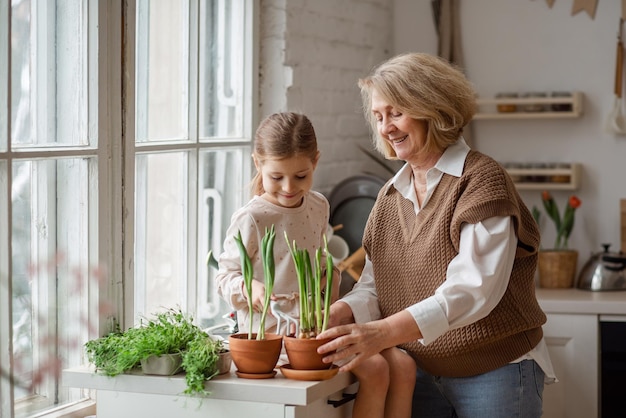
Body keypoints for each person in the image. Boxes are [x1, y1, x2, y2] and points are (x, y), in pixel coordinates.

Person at [317, 52, 556, 418]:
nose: (386, 128)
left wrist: (380, 334)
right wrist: (343, 311)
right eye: (379, 117)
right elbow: (375, 285)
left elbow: (472, 289)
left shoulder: (481, 182)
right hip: (420, 373)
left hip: (496, 372)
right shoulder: (390, 197)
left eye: (396, 113)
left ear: (433, 107)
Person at [216, 112, 339, 336]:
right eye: (276, 178)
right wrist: (248, 288)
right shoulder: (252, 217)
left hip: (311, 327)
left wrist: (330, 277)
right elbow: (224, 278)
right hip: (267, 335)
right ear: (257, 163)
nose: (289, 188)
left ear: (315, 162)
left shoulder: (318, 205)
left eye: (301, 176)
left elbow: (319, 256)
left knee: (384, 363)